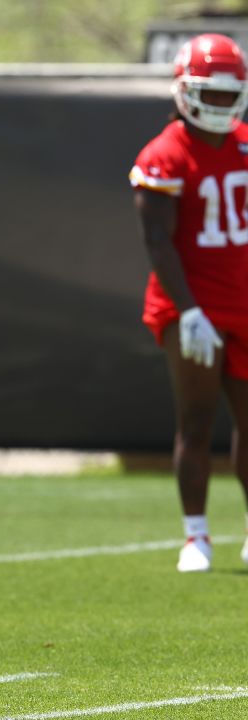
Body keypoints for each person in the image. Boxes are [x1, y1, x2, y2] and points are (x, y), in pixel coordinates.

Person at [131, 32, 248, 573]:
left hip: (244, 301)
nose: (221, 104)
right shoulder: (165, 154)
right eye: (212, 93)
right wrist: (191, 310)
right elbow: (157, 239)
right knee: (196, 421)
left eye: (230, 94)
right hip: (191, 305)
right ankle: (195, 536)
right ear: (185, 89)